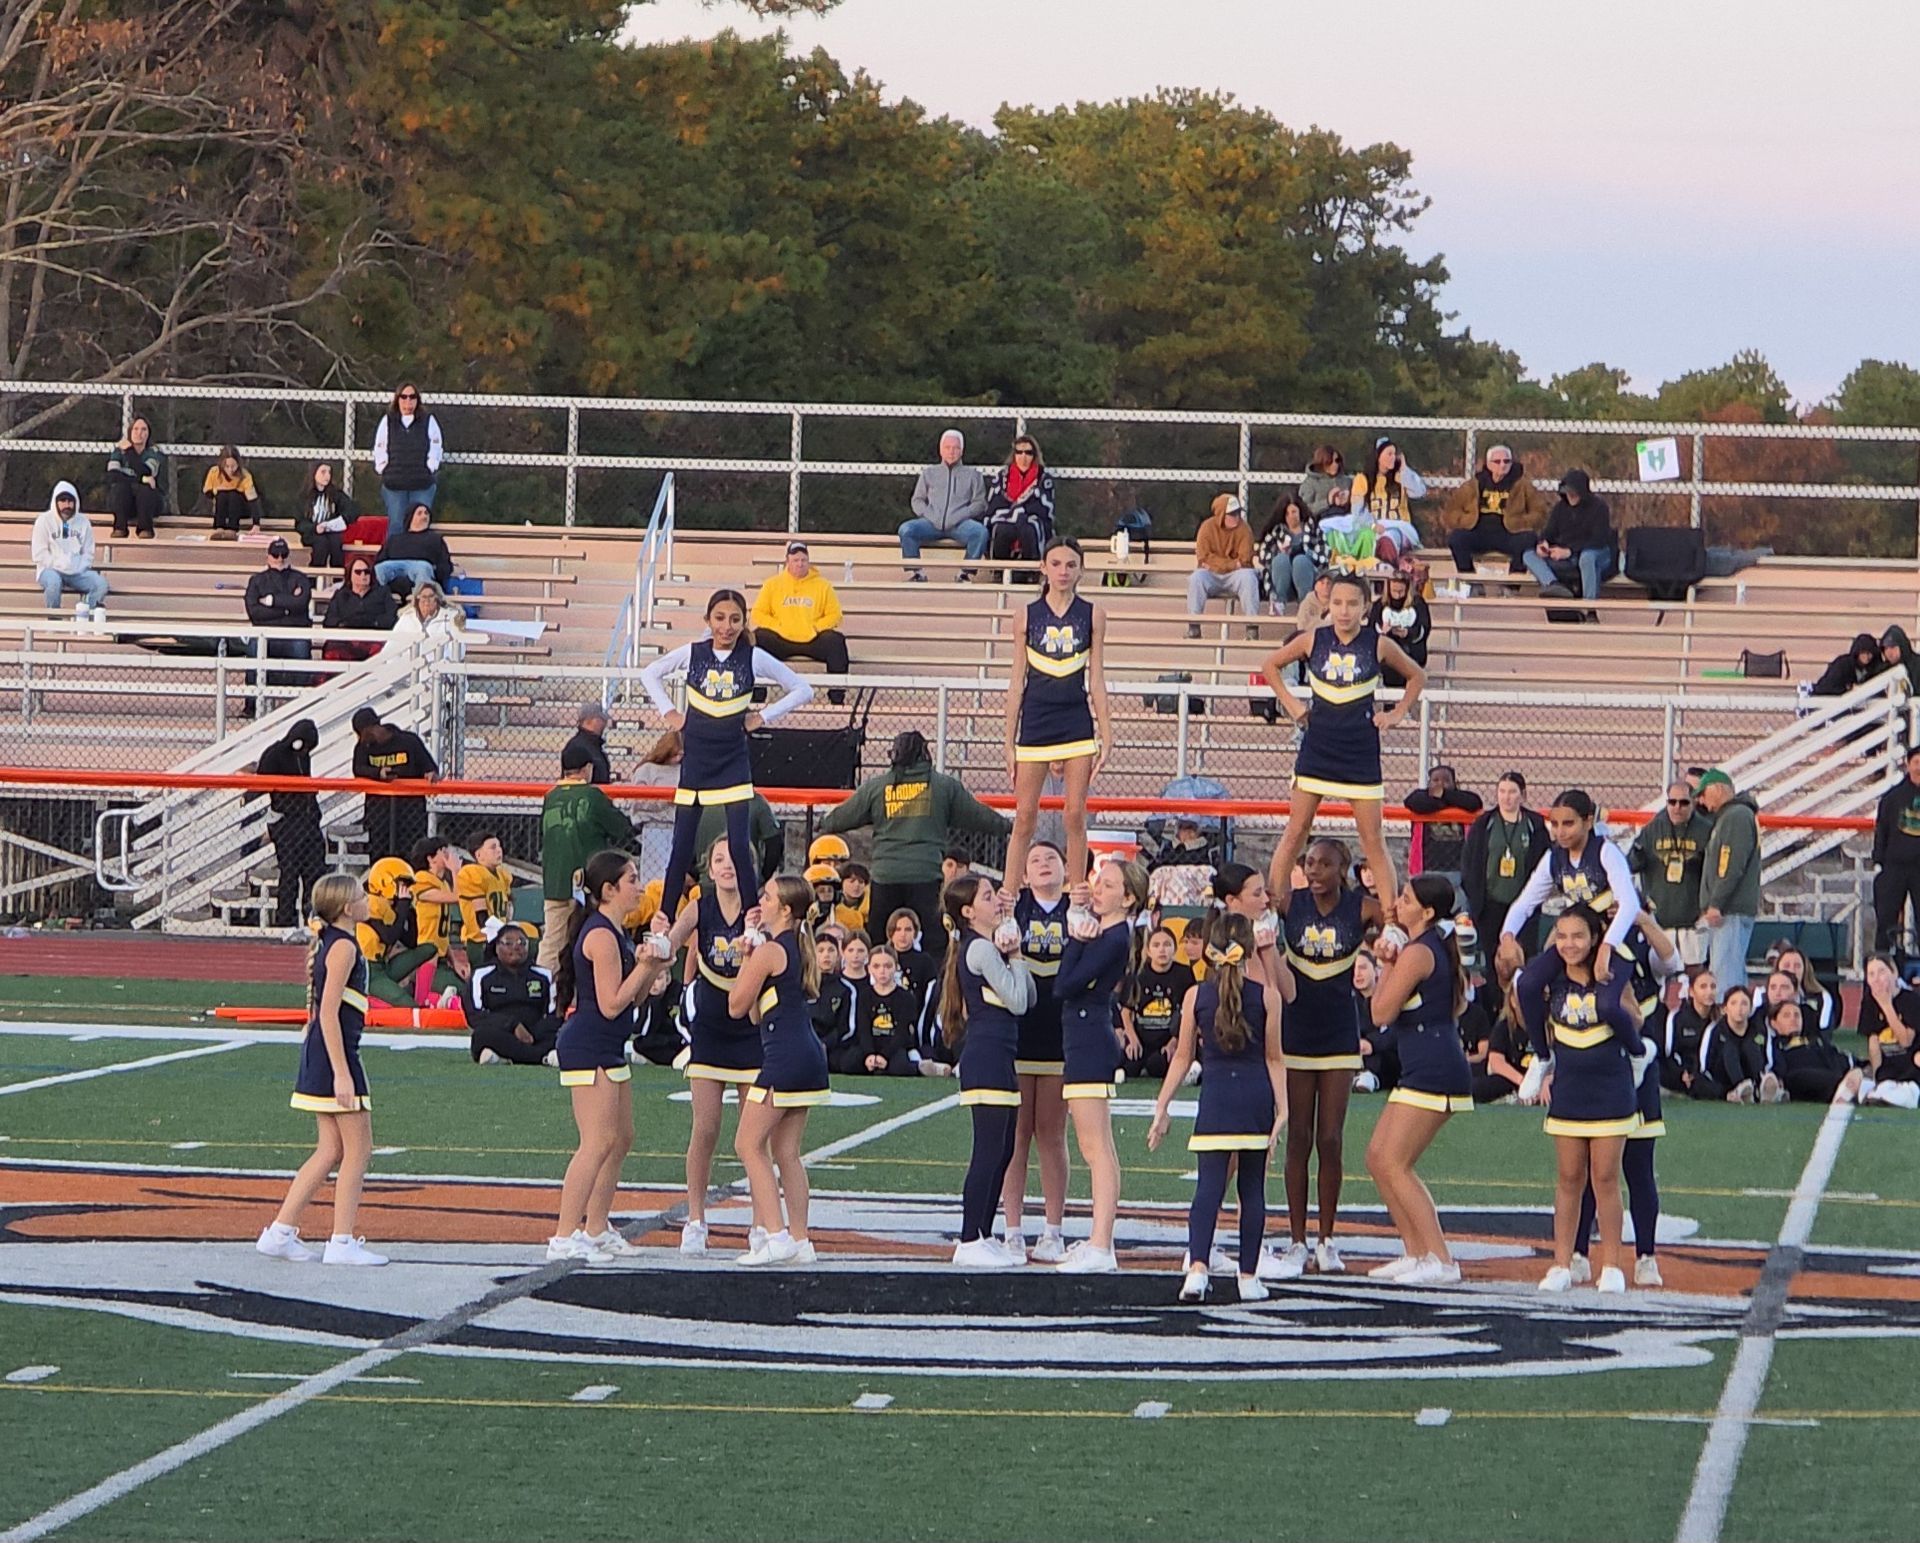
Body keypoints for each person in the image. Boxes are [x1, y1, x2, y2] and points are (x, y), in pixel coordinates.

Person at [639, 588, 812, 960]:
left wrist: (761, 717)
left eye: (735, 619)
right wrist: (670, 713)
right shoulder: (693, 652)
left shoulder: (754, 657)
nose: (727, 626)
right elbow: (650, 673)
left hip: (733, 757)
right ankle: (663, 925)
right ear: (708, 620)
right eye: (719, 618)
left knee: (738, 844)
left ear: (743, 622)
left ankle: (752, 925)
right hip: (697, 757)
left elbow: (803, 688)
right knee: (681, 845)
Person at [1261, 571, 1427, 919]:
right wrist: (1293, 707)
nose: (1344, 610)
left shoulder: (1378, 644)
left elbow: (1417, 676)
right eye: (1337, 603)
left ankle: (1391, 920)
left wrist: (1395, 714)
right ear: (1327, 605)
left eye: (1352, 603)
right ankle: (1271, 911)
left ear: (1366, 607)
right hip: (1318, 747)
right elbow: (1270, 665)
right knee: (1295, 831)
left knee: (1373, 840)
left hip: (1360, 752)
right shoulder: (1312, 640)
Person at [1149, 911, 1287, 1304]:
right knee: (1252, 1190)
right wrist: (1283, 1109)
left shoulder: (1196, 995)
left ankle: (1197, 1269)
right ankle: (1247, 1276)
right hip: (1256, 1098)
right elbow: (1275, 1059)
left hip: (1216, 1099)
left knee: (1207, 1188)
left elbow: (1182, 1058)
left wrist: (1163, 1106)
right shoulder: (1267, 996)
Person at [256, 873, 386, 1266]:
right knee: (358, 1150)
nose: (368, 901)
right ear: (348, 909)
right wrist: (343, 1073)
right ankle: (342, 1241)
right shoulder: (344, 947)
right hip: (336, 1057)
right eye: (363, 896)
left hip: (326, 1055)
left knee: (330, 1149)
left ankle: (279, 1232)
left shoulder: (334, 942)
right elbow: (328, 1014)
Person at [1518, 906, 1648, 1295]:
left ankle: (1611, 1264)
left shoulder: (1613, 969)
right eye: (1561, 935)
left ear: (1595, 939)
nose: (1569, 944)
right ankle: (1561, 1263)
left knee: (1605, 1178)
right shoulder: (1551, 976)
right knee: (1569, 1178)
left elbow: (1625, 1012)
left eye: (1578, 936)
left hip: (1610, 1087)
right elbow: (1524, 991)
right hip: (1570, 1088)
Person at [549, 850, 668, 1264]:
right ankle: (564, 1235)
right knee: (596, 1141)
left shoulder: (615, 933)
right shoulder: (600, 935)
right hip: (589, 1044)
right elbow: (612, 1003)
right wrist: (646, 962)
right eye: (632, 878)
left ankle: (596, 1228)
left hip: (609, 1045)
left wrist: (653, 968)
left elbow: (633, 996)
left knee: (621, 1138)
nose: (639, 885)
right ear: (609, 890)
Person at [1267, 837, 1378, 1277]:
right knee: (1298, 1136)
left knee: (1330, 1138)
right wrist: (1294, 831)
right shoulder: (1290, 903)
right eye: (1309, 863)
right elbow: (1273, 878)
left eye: (1324, 865)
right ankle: (1296, 1240)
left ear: (1342, 869)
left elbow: (1390, 901)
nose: (1313, 871)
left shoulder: (1360, 908)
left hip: (1338, 1032)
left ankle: (1327, 1239)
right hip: (1295, 1031)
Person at [817, 729, 1011, 959]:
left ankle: (875, 986)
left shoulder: (877, 787)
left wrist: (824, 822)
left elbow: (841, 818)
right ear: (925, 753)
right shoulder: (943, 787)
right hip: (926, 876)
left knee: (879, 939)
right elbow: (980, 816)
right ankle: (934, 988)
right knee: (934, 943)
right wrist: (1010, 827)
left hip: (885, 876)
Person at [1364, 874, 1472, 1286]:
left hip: (1434, 1065)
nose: (1398, 904)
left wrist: (1385, 965)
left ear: (1427, 912)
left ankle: (1441, 1259)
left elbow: (1380, 1013)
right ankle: (1415, 1251)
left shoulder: (1419, 952)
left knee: (1395, 1163)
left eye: (1406, 899)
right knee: (1377, 1157)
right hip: (1419, 1064)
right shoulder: (1420, 948)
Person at [727, 873, 833, 1266]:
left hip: (785, 1058)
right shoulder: (794, 947)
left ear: (785, 910)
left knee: (747, 1144)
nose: (762, 900)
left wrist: (745, 959)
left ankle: (775, 1234)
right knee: (787, 1152)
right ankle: (801, 1239)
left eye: (768, 897)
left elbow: (736, 1007)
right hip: (806, 1054)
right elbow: (756, 1013)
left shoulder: (771, 951)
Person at [666, 840, 763, 1252]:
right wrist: (655, 948)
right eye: (719, 859)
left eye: (735, 859)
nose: (727, 867)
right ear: (709, 867)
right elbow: (670, 946)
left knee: (755, 1137)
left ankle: (761, 1223)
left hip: (752, 1027)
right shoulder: (699, 906)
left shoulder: (760, 909)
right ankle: (696, 1220)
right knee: (704, 1129)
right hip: (709, 1026)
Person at [1051, 859, 1148, 1274]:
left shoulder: (1111, 937)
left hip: (1090, 1039)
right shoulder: (1107, 932)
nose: (1098, 890)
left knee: (1095, 1149)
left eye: (1108, 885)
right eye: (1098, 882)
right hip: (1084, 1035)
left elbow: (1064, 984)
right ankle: (1097, 1240)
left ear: (1127, 897)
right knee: (1096, 1146)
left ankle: (1101, 1243)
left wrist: (1075, 938)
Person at [942, 871, 1038, 1268]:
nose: (995, 901)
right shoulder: (979, 949)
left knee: (1004, 1149)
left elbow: (1028, 996)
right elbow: (1017, 1001)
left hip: (1001, 1056)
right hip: (987, 1057)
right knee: (987, 1150)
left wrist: (1015, 953)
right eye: (986, 897)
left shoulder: (989, 947)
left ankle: (983, 1232)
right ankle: (969, 1238)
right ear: (968, 911)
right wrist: (1014, 957)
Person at [1004, 539, 1111, 885]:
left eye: (1070, 564)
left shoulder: (1093, 614)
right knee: (1024, 817)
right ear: (1043, 567)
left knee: (1075, 814)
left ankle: (1078, 893)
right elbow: (1017, 681)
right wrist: (1008, 742)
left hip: (1076, 722)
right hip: (1035, 722)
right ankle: (1009, 896)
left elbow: (1096, 678)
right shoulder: (1026, 615)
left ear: (1081, 569)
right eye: (1056, 563)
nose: (1063, 571)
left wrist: (1106, 735)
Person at [999, 843, 1072, 1264]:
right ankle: (1011, 1229)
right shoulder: (1014, 908)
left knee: (1051, 1133)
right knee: (1016, 1134)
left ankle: (1053, 1230)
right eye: (1036, 861)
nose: (1045, 865)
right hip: (1018, 1032)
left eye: (1052, 859)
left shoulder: (1077, 910)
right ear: (1023, 874)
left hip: (1061, 1034)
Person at [538, 743, 634, 973]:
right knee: (591, 933)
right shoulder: (593, 795)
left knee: (552, 940)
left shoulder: (550, 796)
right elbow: (621, 828)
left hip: (555, 880)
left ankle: (540, 989)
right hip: (590, 880)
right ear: (587, 768)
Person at [750, 541, 852, 705]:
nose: (800, 564)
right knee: (758, 638)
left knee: (836, 641)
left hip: (812, 637)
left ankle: (837, 699)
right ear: (787, 562)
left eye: (804, 560)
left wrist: (816, 627)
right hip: (781, 638)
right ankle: (757, 699)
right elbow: (758, 613)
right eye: (795, 560)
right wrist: (778, 627)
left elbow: (835, 615)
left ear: (808, 562)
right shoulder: (772, 584)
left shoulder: (823, 585)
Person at [1460, 772, 1549, 961]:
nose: (1506, 797)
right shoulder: (1485, 823)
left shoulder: (1534, 824)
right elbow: (1470, 861)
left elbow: (1543, 860)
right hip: (1490, 904)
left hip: (1523, 903)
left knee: (1524, 955)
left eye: (1512, 792)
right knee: (1492, 958)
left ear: (1522, 795)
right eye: (1502, 791)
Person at [1695, 768, 1762, 993]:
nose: (1701, 801)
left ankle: (1728, 1022)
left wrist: (1717, 902)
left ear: (1718, 789)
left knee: (1726, 977)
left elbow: (1730, 865)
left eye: (1703, 793)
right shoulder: (1731, 817)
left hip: (1730, 910)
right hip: (1729, 909)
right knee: (1729, 971)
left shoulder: (1736, 817)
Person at [1630, 782, 1713, 962]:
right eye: (1672, 802)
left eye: (1683, 803)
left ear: (1693, 803)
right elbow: (1632, 865)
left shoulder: (1706, 830)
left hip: (1693, 917)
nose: (1677, 808)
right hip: (1660, 917)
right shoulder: (1653, 829)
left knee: (1694, 968)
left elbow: (1715, 874)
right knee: (1661, 969)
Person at [257, 719, 323, 932]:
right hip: (286, 822)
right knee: (290, 873)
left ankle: (311, 918)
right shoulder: (276, 754)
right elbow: (261, 782)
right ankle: (284, 921)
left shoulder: (303, 756)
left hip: (308, 822)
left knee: (313, 872)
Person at [1442, 445, 1546, 576]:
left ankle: (1512, 587)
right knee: (1457, 539)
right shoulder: (1474, 484)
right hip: (1479, 532)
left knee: (1528, 539)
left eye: (1506, 461)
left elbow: (1539, 512)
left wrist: (1520, 522)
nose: (1502, 465)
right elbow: (1451, 511)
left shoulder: (1522, 485)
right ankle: (1470, 579)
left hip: (1509, 533)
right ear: (1488, 464)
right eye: (1497, 461)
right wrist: (1466, 520)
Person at [900, 429, 988, 581]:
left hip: (960, 525)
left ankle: (964, 573)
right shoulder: (929, 473)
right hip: (931, 523)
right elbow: (917, 500)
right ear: (941, 450)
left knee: (980, 532)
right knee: (906, 529)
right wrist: (930, 515)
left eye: (956, 448)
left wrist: (961, 515)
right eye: (947, 447)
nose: (951, 452)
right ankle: (917, 573)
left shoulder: (973, 475)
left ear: (962, 451)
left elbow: (979, 503)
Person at [350, 707, 436, 863]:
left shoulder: (408, 741)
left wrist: (430, 774)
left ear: (369, 729)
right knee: (379, 858)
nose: (360, 739)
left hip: (410, 812)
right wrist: (378, 773)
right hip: (379, 813)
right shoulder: (363, 748)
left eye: (361, 734)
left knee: (412, 856)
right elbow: (358, 769)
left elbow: (429, 766)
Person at [467, 925, 560, 1067]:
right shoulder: (482, 975)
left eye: (522, 943)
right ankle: (541, 1057)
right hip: (502, 1033)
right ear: (497, 947)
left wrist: (531, 1034)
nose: (516, 947)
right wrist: (512, 1025)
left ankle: (508, 1056)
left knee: (564, 1032)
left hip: (535, 1034)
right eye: (508, 943)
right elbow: (475, 1015)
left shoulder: (545, 975)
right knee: (481, 1036)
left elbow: (555, 1015)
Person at [1323, 436, 1424, 564]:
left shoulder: (1401, 477)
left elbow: (1419, 492)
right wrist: (1373, 525)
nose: (1393, 457)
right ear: (1378, 457)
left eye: (1395, 454)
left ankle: (1388, 562)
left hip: (1400, 529)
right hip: (1373, 528)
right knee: (1365, 537)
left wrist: (1404, 468)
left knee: (1390, 537)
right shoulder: (1363, 479)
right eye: (1389, 454)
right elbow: (1357, 512)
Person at [1524, 469, 1616, 603]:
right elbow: (1549, 532)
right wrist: (1543, 544)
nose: (1570, 496)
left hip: (1594, 552)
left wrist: (1570, 551)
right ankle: (1553, 585)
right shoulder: (1560, 508)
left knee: (1587, 558)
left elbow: (1599, 539)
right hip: (1564, 555)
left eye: (1574, 493)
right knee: (1528, 555)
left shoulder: (1599, 507)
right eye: (1567, 492)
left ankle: (1589, 606)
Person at [1121, 925, 1195, 1081]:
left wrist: (1176, 1042)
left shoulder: (1184, 974)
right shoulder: (1138, 974)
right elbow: (1126, 1010)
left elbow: (1189, 1013)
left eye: (1167, 945)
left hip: (1168, 1038)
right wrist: (1132, 1038)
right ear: (1148, 951)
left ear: (1175, 949)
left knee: (1158, 1066)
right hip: (1142, 1038)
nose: (1162, 950)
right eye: (1156, 945)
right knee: (1129, 1067)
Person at [371, 382, 444, 536]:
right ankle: (394, 558)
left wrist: (430, 467)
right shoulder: (388, 421)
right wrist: (383, 468)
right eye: (403, 397)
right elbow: (380, 447)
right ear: (397, 399)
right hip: (394, 484)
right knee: (397, 524)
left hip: (421, 483)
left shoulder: (428, 420)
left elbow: (436, 447)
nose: (408, 401)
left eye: (412, 397)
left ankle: (419, 558)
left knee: (420, 524)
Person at [1185, 493, 1261, 639]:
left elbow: (1245, 559)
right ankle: (1194, 627)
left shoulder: (1245, 529)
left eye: (1238, 512)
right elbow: (1203, 558)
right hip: (1213, 575)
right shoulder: (1206, 528)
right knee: (1196, 578)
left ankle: (1252, 628)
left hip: (1235, 575)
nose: (1237, 517)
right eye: (1232, 514)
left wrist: (1217, 564)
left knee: (1249, 577)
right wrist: (1232, 564)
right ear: (1221, 515)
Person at [1762, 999, 1860, 1105]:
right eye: (1786, 1016)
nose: (1793, 1019)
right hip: (1796, 1078)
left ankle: (1855, 1091)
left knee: (1857, 1072)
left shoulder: (1815, 1042)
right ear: (1774, 1023)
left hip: (1829, 1076)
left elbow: (1836, 1057)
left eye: (1797, 1015)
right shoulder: (1775, 1045)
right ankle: (1851, 1092)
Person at [31, 481, 109, 613]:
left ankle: (84, 615)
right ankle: (54, 622)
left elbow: (88, 553)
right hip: (50, 570)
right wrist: (60, 564)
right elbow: (39, 554)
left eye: (70, 501)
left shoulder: (84, 522)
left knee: (101, 584)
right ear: (55, 502)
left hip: (77, 571)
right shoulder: (43, 521)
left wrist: (77, 567)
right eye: (62, 501)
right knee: (53, 584)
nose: (67, 505)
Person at [984, 433, 1057, 571]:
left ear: (1034, 455)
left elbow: (1045, 507)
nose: (1023, 457)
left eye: (1028, 453)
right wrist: (1013, 514)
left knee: (1029, 529)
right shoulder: (1002, 477)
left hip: (1031, 518)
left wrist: (1021, 512)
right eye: (1019, 452)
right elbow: (994, 503)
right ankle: (999, 571)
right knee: (1001, 529)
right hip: (1005, 517)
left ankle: (1030, 572)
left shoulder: (1043, 478)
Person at [244, 538, 314, 683]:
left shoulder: (300, 578)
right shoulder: (257, 580)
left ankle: (301, 701)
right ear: (268, 556)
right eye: (276, 554)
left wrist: (271, 601)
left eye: (283, 554)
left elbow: (301, 603)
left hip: (294, 634)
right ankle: (252, 703)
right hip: (266, 634)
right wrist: (287, 608)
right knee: (255, 646)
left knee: (301, 647)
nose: (280, 558)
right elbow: (255, 613)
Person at [455, 832, 528, 968]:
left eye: (499, 846)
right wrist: (505, 934)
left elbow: (508, 907)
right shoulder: (472, 874)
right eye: (493, 847)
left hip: (501, 938)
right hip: (482, 941)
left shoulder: (503, 874)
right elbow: (482, 919)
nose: (499, 850)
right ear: (478, 855)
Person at [1873, 745, 1920, 953]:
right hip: (1895, 867)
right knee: (1886, 923)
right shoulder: (1892, 798)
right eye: (1917, 762)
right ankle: (1880, 970)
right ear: (1908, 765)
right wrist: (1879, 861)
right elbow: (1881, 829)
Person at [1857, 953, 1920, 1108]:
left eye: (1882, 972)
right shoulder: (1869, 1003)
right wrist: (1877, 1074)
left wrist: (1886, 1005)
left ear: (1894, 973)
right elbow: (1873, 1043)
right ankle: (1883, 1092)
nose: (1877, 978)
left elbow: (1906, 1041)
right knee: (1876, 1084)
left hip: (1911, 1063)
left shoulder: (1911, 1000)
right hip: (1889, 1066)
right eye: (1871, 974)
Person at [844, 946, 918, 1076]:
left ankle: (918, 1065)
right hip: (871, 1044)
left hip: (893, 1046)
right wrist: (869, 1054)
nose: (882, 971)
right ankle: (874, 1065)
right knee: (849, 1063)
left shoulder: (906, 997)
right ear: (869, 969)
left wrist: (885, 1055)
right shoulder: (864, 996)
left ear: (896, 967)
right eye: (877, 966)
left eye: (887, 966)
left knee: (900, 1068)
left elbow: (902, 1031)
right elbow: (863, 1028)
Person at [1404, 764, 1481, 880]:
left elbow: (1475, 803)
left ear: (1454, 784)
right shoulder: (1421, 797)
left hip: (1458, 870)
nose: (1440, 784)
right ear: (1429, 784)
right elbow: (1412, 802)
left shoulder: (1462, 799)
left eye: (1446, 781)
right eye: (1435, 780)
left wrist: (1444, 795)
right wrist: (1442, 802)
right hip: (1427, 868)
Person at [1256, 491, 1327, 612]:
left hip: (1307, 577)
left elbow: (1324, 557)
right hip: (1281, 579)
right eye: (1287, 513)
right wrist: (1279, 552)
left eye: (1294, 512)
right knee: (1281, 560)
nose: (1291, 516)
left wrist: (1305, 552)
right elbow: (1263, 556)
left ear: (1300, 511)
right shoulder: (1275, 532)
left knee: (1300, 561)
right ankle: (1278, 603)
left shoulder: (1314, 530)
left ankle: (1306, 604)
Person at [1693, 984, 1764, 1102]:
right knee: (1729, 1048)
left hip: (1752, 1077)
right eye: (1733, 1003)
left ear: (1751, 1008)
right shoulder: (1714, 1030)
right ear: (1725, 1008)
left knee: (1751, 1047)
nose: (1739, 1009)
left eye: (1744, 1004)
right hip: (1723, 1078)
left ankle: (1758, 1089)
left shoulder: (1758, 1030)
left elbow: (1767, 1059)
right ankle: (1739, 1089)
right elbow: (1703, 1067)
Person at [321, 558, 396, 661]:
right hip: (346, 640)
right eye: (358, 572)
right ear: (350, 574)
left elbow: (391, 618)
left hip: (374, 639)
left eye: (366, 572)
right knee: (332, 652)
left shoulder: (383, 593)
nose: (363, 575)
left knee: (382, 651)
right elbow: (329, 621)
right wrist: (346, 624)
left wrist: (373, 622)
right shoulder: (340, 595)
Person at [105, 414, 166, 538]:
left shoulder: (154, 453)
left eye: (144, 429)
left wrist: (130, 452)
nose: (139, 433)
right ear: (130, 432)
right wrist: (141, 479)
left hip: (149, 504)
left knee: (145, 490)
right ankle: (119, 529)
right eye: (136, 429)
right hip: (125, 502)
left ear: (148, 433)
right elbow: (112, 476)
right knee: (121, 488)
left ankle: (145, 530)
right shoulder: (118, 452)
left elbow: (145, 470)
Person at [375, 503, 454, 596]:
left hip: (421, 570)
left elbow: (445, 565)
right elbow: (380, 560)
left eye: (426, 513)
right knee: (380, 568)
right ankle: (379, 598)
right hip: (396, 570)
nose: (424, 516)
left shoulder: (435, 539)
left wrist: (434, 571)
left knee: (422, 567)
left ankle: (421, 600)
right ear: (410, 517)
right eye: (419, 513)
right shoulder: (394, 539)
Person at [1369, 572, 1431, 688]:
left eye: (1400, 592)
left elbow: (1424, 629)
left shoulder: (1418, 604)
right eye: (1394, 591)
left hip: (1411, 652)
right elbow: (1372, 629)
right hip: (1387, 656)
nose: (1397, 596)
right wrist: (1383, 631)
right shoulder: (1379, 604)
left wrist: (1408, 633)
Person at [1662, 967, 1718, 1094]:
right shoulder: (1677, 1018)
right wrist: (1681, 1073)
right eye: (1703, 987)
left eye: (1713, 986)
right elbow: (1669, 1053)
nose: (1709, 991)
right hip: (1681, 1073)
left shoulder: (1719, 1020)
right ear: (1691, 992)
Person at [391, 581, 477, 661]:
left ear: (437, 599)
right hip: (407, 669)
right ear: (417, 600)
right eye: (423, 597)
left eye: (431, 596)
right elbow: (392, 647)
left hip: (439, 670)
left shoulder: (451, 617)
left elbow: (458, 650)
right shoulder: (407, 618)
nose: (427, 601)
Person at [300, 462, 356, 572]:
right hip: (312, 533)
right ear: (314, 474)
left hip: (331, 532)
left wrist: (340, 521)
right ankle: (314, 580)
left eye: (329, 472)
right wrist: (314, 528)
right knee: (321, 545)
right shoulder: (305, 496)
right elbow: (300, 523)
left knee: (336, 544)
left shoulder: (335, 494)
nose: (327, 476)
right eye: (323, 472)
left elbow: (351, 510)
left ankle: (338, 579)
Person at [200, 444, 263, 538]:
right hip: (222, 507)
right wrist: (216, 492)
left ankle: (232, 529)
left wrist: (256, 524)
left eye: (233, 466)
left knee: (234, 494)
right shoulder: (214, 472)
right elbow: (207, 492)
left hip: (240, 507)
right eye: (227, 466)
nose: (230, 470)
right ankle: (219, 527)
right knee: (222, 495)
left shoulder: (245, 475)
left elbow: (253, 501)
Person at [1811, 632, 1886, 697]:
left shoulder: (1875, 667)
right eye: (1863, 653)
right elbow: (1825, 687)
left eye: (1869, 653)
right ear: (1857, 652)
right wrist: (1848, 689)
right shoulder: (1843, 665)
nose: (1867, 657)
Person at [562, 703, 615, 786]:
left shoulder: (594, 747)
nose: (604, 724)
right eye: (600, 719)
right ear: (589, 721)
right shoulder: (577, 748)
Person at [1296, 444, 1348, 517]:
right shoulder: (1310, 483)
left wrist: (1348, 501)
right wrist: (1327, 501)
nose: (1335, 464)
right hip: (1320, 522)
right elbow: (1305, 510)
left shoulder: (1346, 481)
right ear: (1321, 462)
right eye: (1330, 462)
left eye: (1337, 460)